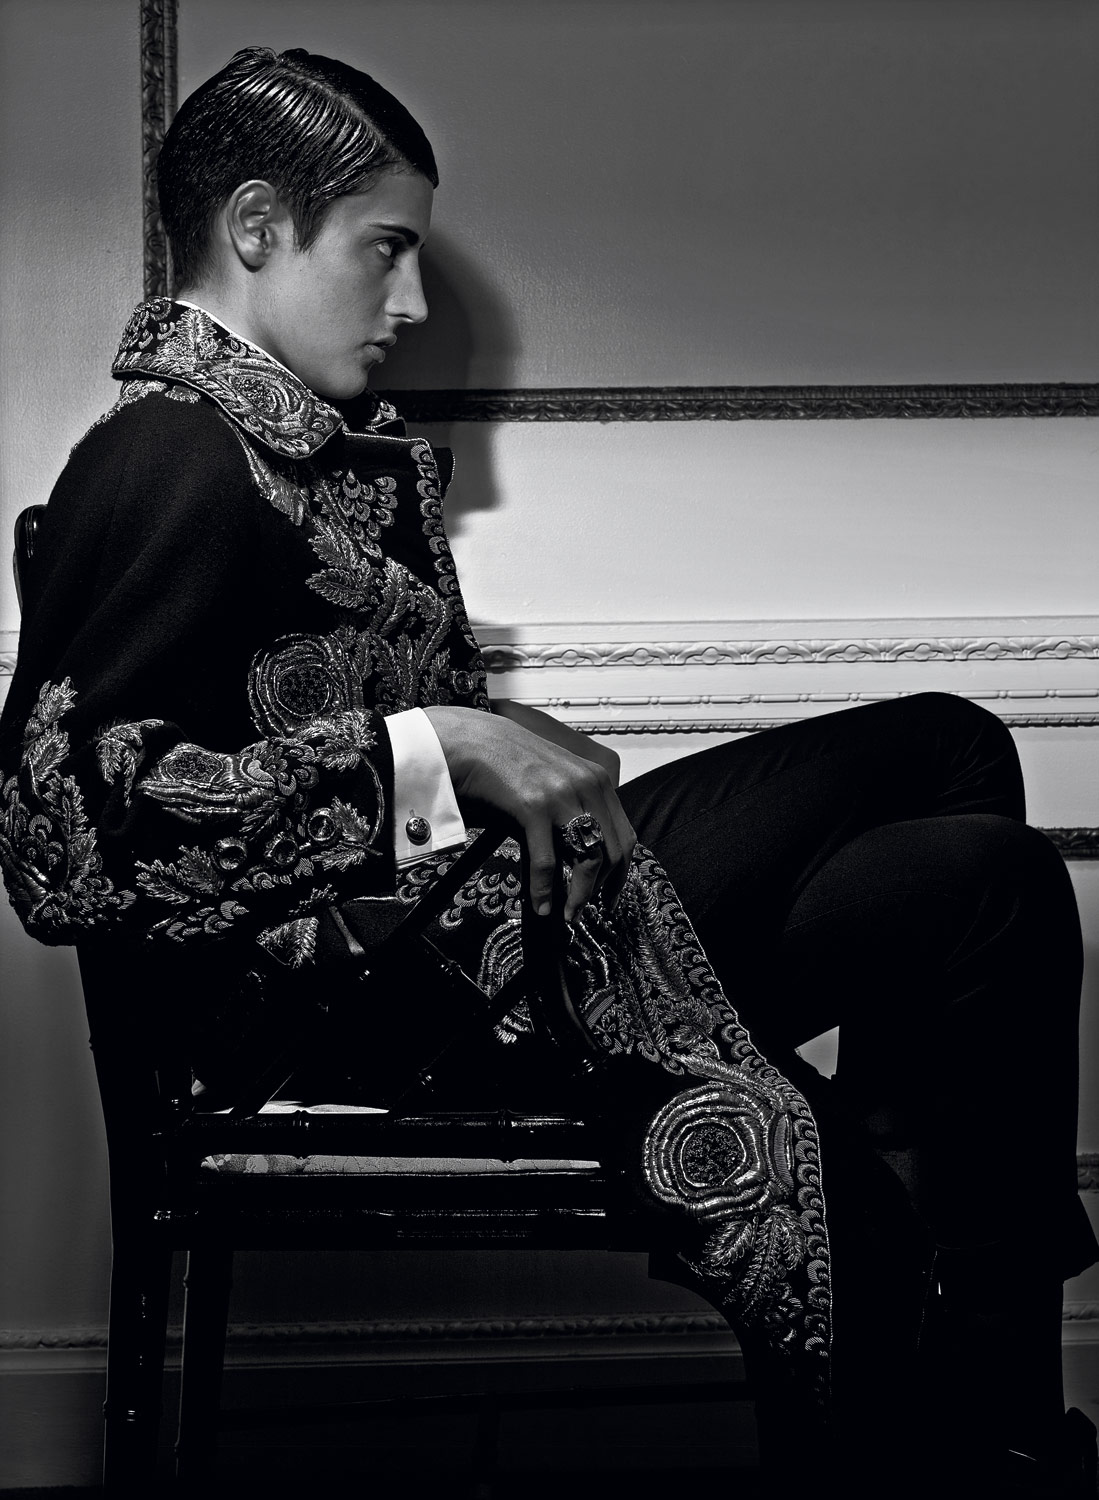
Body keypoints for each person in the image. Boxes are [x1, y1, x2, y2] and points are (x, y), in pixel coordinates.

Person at [1, 46, 1095, 1494]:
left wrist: (481, 756)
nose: (410, 302)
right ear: (257, 227)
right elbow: (66, 842)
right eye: (385, 248)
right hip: (381, 999)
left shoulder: (309, 453)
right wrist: (442, 745)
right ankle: (967, 1384)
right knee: (952, 748)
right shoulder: (167, 455)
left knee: (987, 877)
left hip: (472, 934)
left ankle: (993, 1403)